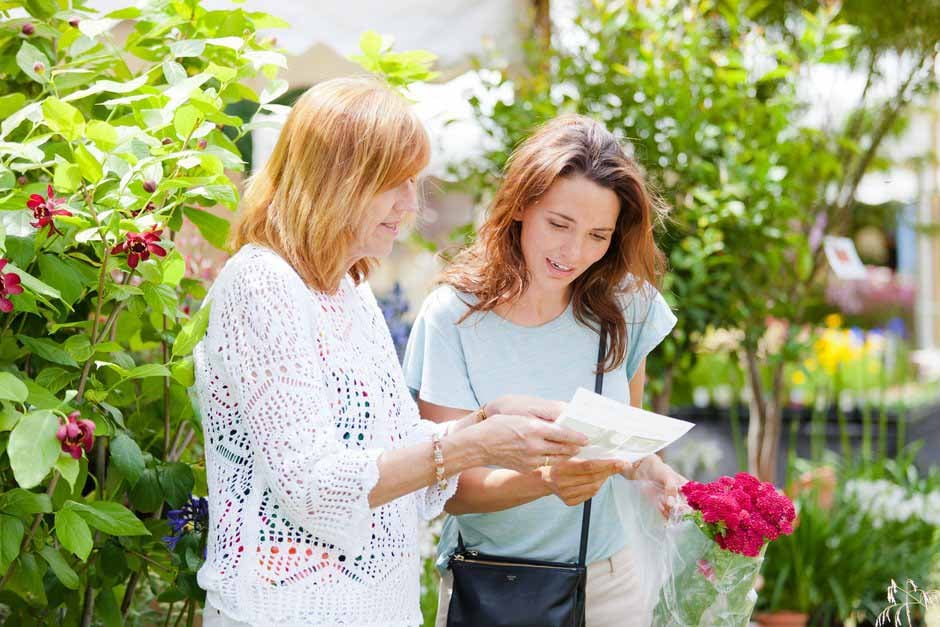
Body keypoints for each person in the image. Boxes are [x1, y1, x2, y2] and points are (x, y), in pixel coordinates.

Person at [191, 77, 589, 626]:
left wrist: (485, 420)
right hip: (284, 612)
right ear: (335, 181)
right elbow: (313, 486)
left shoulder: (347, 291)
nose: (411, 205)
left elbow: (394, 450)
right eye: (394, 184)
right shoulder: (262, 284)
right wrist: (473, 447)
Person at [403, 114, 685, 626]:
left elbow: (627, 440)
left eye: (598, 235)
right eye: (559, 224)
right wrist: (548, 480)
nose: (573, 253)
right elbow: (449, 486)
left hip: (609, 584)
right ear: (520, 206)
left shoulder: (627, 304)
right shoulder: (454, 314)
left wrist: (655, 473)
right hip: (492, 585)